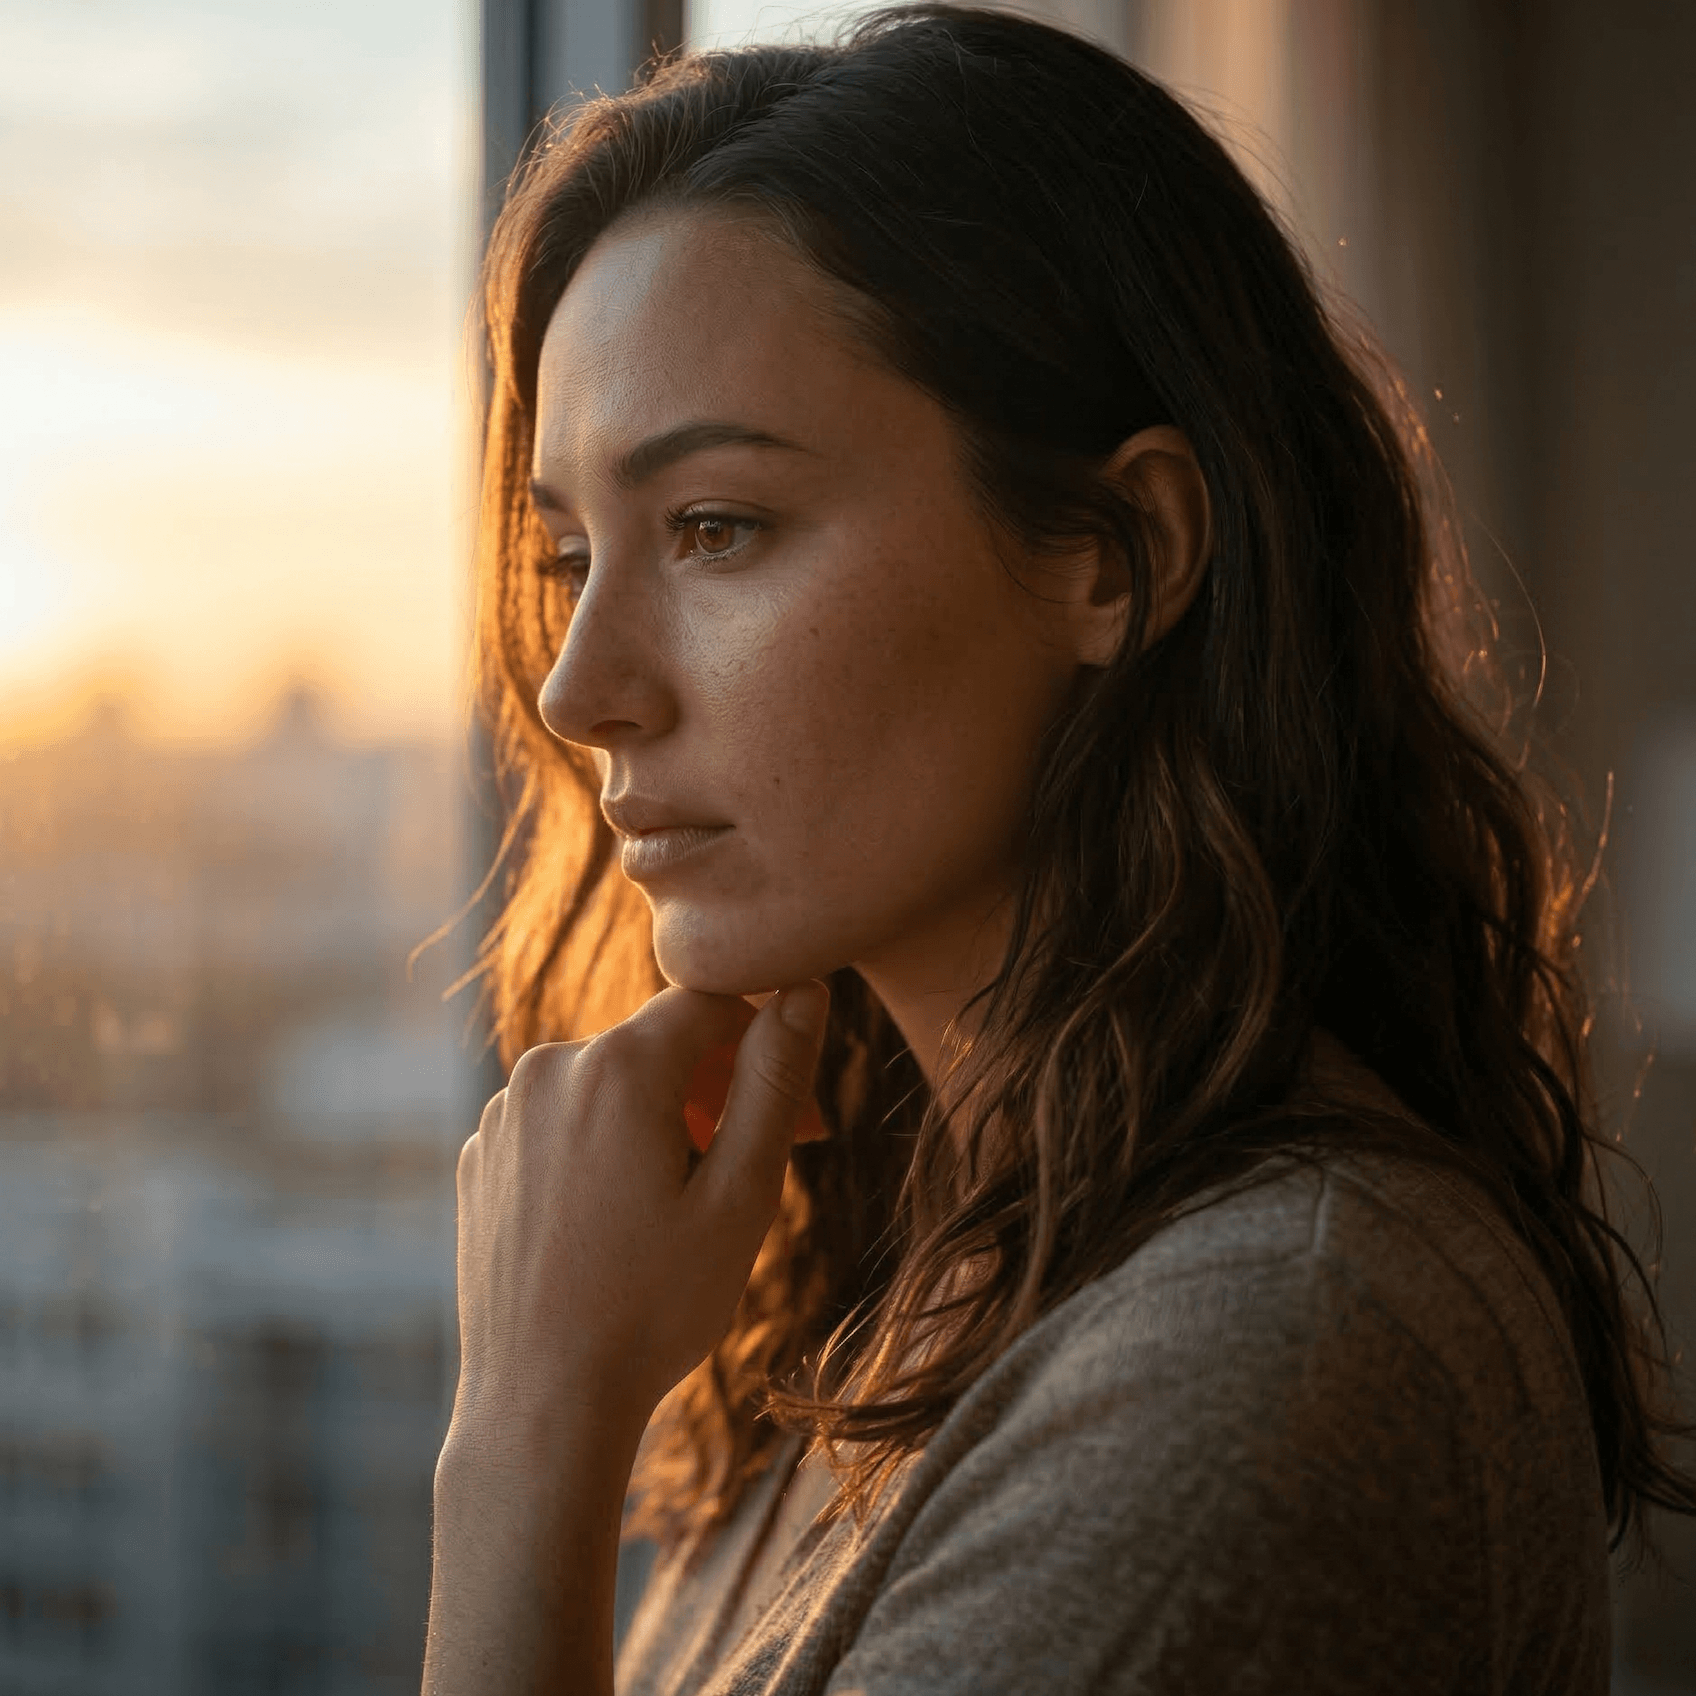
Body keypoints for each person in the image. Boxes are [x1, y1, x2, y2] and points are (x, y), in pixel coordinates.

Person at [422, 8, 1695, 1691]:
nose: (585, 690)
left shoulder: (1266, 1355)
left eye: (717, 528)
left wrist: (524, 1434)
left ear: (1118, 554)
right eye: (573, 553)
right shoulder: (912, 1279)